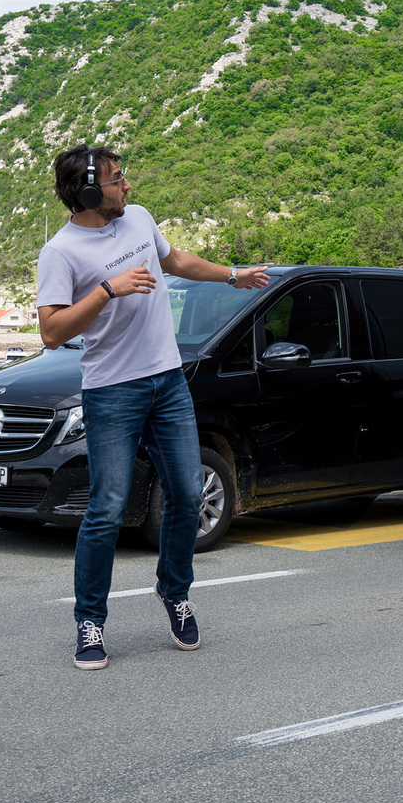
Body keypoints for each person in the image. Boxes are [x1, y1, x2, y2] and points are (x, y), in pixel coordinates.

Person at [35, 144, 268, 669]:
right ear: (91, 192)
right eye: (118, 180)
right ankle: (90, 622)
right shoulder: (62, 252)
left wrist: (234, 275)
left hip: (167, 381)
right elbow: (51, 332)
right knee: (107, 509)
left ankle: (174, 591)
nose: (128, 186)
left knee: (187, 493)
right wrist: (105, 291)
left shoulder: (138, 218)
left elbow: (175, 261)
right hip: (112, 390)